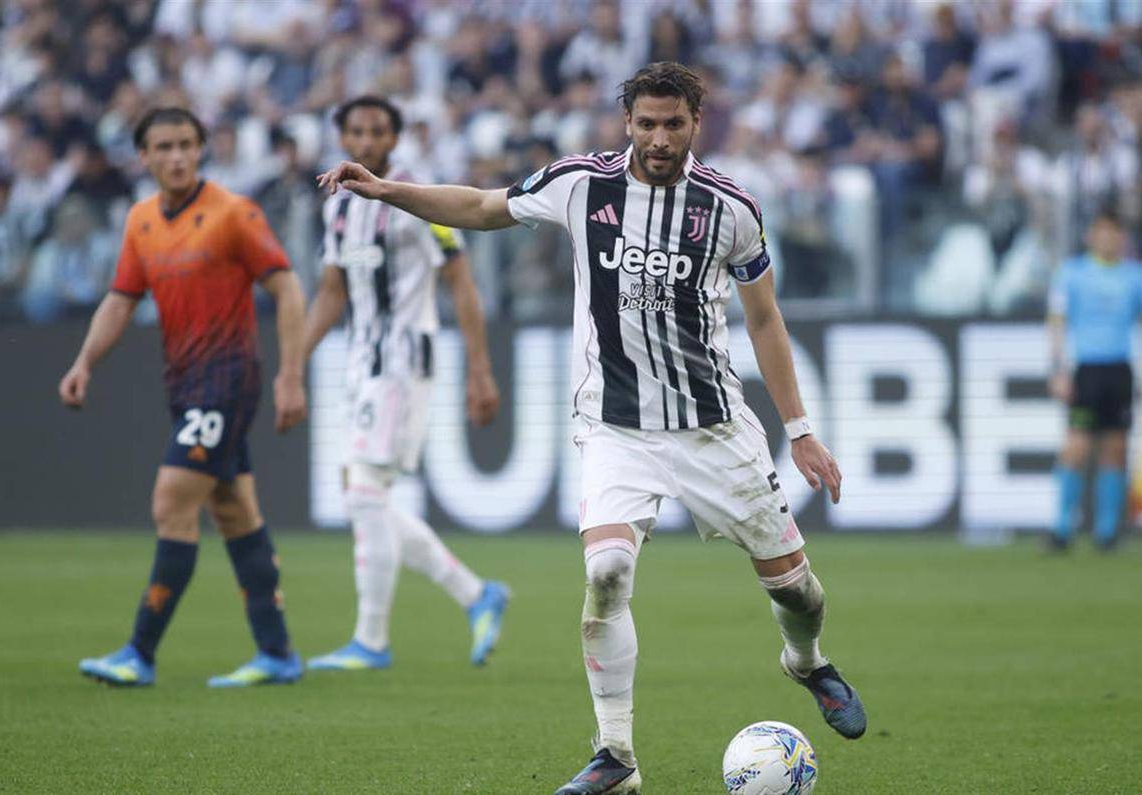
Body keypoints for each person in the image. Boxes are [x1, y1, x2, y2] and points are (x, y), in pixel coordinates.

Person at [317, 62, 865, 795]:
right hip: (614, 427)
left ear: (696, 123)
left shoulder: (731, 208)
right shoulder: (579, 184)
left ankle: (806, 662)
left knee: (797, 591)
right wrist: (389, 190)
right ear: (627, 123)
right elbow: (480, 205)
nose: (660, 139)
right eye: (647, 124)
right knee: (606, 574)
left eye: (674, 124)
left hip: (711, 427)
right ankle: (616, 755)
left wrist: (798, 428)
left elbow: (764, 318)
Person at [59, 107, 309, 688]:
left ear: (200, 150)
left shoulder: (233, 213)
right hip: (184, 383)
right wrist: (84, 362)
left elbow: (288, 288)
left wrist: (291, 375)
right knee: (234, 510)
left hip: (228, 380)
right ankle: (277, 652)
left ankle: (140, 651)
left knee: (172, 500)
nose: (176, 156)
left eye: (186, 145)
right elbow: (121, 299)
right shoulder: (141, 220)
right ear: (143, 157)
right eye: (164, 147)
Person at [302, 96, 510, 671]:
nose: (367, 141)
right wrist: (292, 364)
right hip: (360, 363)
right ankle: (476, 594)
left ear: (394, 139)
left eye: (377, 132)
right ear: (343, 138)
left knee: (364, 491)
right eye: (356, 131)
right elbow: (331, 292)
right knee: (363, 495)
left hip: (403, 359)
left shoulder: (419, 198)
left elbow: (461, 281)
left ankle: (371, 640)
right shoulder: (337, 208)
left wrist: (480, 369)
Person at [1048, 210, 1142, 550]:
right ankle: (1062, 528)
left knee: (1116, 449)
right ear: (1091, 236)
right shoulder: (1072, 273)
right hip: (1087, 370)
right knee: (1076, 447)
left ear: (1122, 237)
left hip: (1119, 370)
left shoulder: (1137, 277)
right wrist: (1057, 370)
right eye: (1102, 232)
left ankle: (1107, 532)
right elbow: (1056, 324)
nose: (1108, 238)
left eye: (1114, 232)